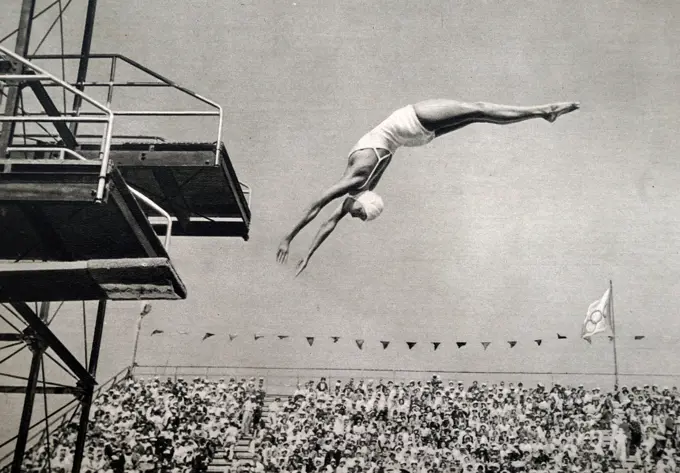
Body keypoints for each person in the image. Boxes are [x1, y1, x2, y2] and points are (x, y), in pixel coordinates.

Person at [276, 98, 580, 275]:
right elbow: (330, 222)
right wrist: (310, 255)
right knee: (477, 113)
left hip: (409, 124)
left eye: (358, 216)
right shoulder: (360, 189)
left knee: (478, 111)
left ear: (365, 203)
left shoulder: (358, 178)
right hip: (409, 136)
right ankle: (541, 112)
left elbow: (317, 207)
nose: (352, 216)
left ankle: (543, 110)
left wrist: (289, 238)